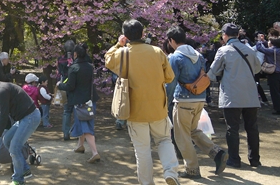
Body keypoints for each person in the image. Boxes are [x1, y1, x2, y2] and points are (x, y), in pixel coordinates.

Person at [105, 19, 179, 185]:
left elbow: (108, 59)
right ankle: (170, 172)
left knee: (142, 149)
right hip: (158, 108)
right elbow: (169, 77)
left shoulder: (122, 53)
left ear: (125, 36)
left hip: (134, 109)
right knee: (164, 140)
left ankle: (146, 182)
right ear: (143, 33)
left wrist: (118, 44)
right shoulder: (157, 51)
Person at [165, 26, 228, 178]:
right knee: (193, 131)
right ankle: (216, 152)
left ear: (171, 40)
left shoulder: (175, 57)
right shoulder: (198, 55)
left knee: (182, 136)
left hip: (183, 100)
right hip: (199, 98)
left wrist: (165, 102)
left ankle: (192, 169)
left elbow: (171, 83)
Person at [208, 23, 261, 168]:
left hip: (231, 95)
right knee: (252, 127)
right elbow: (257, 69)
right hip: (250, 94)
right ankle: (255, 159)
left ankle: (234, 159)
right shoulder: (249, 49)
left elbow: (213, 72)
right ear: (238, 35)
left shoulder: (223, 50)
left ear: (224, 35)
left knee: (232, 128)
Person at [0, 69, 40, 185]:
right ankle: (24, 169)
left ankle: (18, 179)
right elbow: (3, 113)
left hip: (30, 117)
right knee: (7, 140)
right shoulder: (1, 89)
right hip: (23, 119)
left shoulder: (2, 91)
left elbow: (4, 116)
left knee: (14, 148)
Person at [58, 44, 100, 163]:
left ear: (75, 54)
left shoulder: (74, 68)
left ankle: (95, 152)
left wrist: (60, 85)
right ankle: (80, 146)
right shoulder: (90, 66)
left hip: (80, 102)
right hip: (90, 100)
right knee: (85, 122)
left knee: (85, 126)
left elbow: (70, 86)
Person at [256, 34, 280, 114]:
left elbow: (259, 48)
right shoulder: (277, 50)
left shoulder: (272, 51)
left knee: (275, 92)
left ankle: (277, 109)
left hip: (274, 73)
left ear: (272, 43)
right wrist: (263, 41)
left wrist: (259, 40)